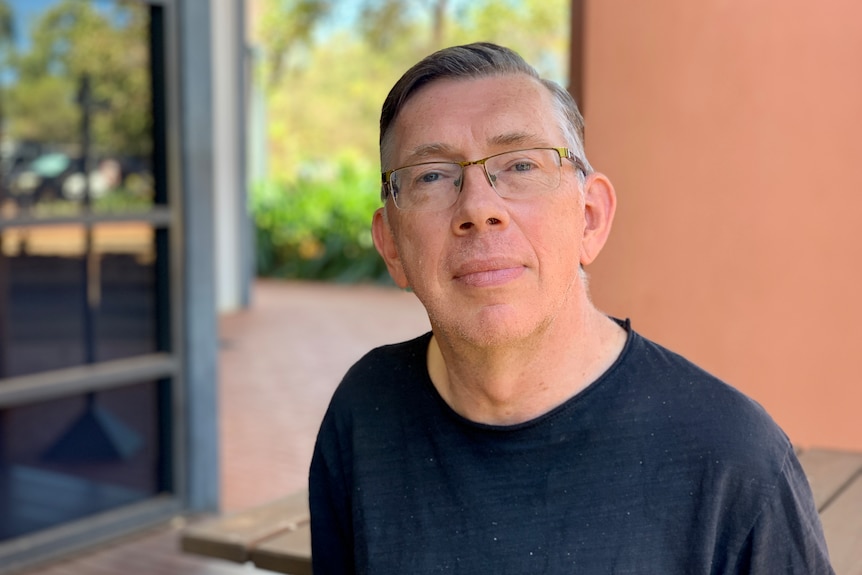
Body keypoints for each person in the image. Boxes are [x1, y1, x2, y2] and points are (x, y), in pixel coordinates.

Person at [309, 42, 834, 574]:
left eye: (520, 165)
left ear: (589, 218)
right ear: (392, 246)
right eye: (432, 176)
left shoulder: (733, 459)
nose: (478, 208)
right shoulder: (364, 414)